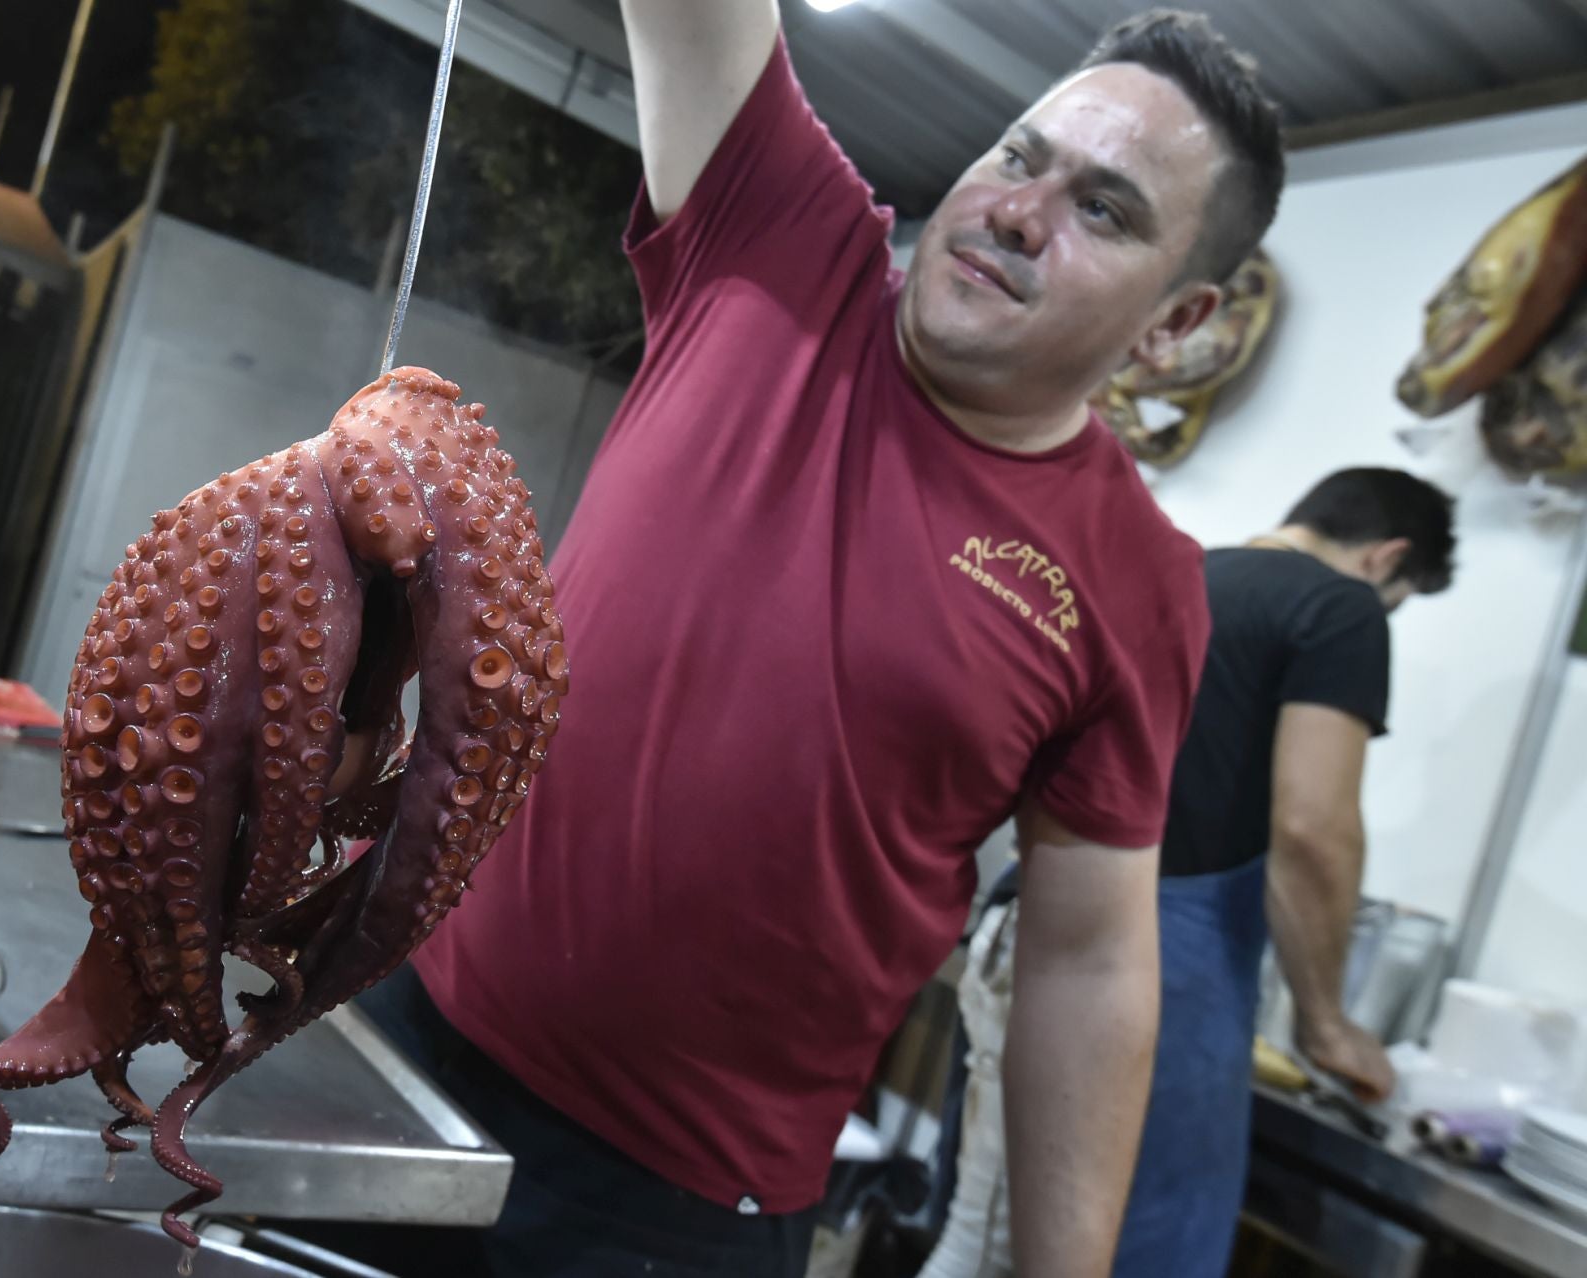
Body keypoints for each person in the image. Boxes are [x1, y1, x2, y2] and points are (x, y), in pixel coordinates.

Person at [339, 5, 1285, 1275]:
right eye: (1018, 156)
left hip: (672, 1212)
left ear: (1175, 325)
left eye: (1103, 211)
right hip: (398, 1035)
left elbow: (1088, 953)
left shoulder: (1142, 582)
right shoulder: (778, 241)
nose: (1019, 210)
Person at [926, 467, 1458, 1278]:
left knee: (997, 1236)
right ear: (1387, 558)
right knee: (1012, 1254)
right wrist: (1326, 1024)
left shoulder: (1180, 576)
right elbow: (1313, 828)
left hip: (1041, 925)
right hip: (1136, 969)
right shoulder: (1339, 606)